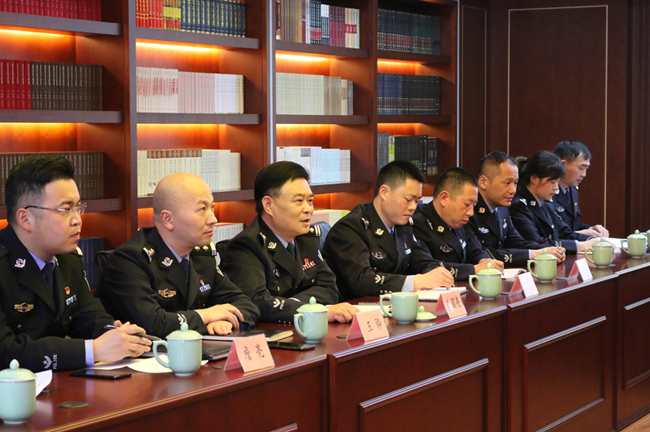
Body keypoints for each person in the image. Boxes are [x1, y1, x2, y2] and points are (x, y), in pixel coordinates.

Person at [0, 156, 151, 372]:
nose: (77, 220)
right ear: (25, 219)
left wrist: (115, 334)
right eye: (65, 210)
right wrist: (94, 350)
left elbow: (88, 317)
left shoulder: (68, 258)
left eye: (78, 208)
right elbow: (6, 352)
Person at [97, 172, 260, 338]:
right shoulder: (129, 261)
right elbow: (153, 324)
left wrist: (225, 321)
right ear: (168, 219)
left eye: (212, 207)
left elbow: (247, 304)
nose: (213, 219)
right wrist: (206, 316)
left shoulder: (201, 255)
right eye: (202, 209)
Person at [222, 162, 358, 324]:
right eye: (299, 201)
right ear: (269, 205)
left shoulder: (305, 237)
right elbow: (256, 303)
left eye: (310, 201)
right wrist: (314, 311)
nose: (308, 209)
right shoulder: (246, 246)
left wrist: (293, 304)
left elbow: (329, 288)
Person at [322, 160, 454, 301]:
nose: (413, 207)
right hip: (357, 308)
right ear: (384, 192)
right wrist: (417, 281)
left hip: (393, 304)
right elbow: (362, 281)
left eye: (417, 201)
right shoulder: (350, 228)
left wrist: (436, 273)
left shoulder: (403, 224)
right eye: (408, 199)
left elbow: (421, 259)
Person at [466, 152, 566, 266]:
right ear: (483, 182)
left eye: (515, 183)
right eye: (507, 183)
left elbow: (517, 242)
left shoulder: (502, 209)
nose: (513, 190)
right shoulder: (468, 210)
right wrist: (533, 254)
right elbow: (481, 254)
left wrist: (545, 251)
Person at [412, 167, 503, 280]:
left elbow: (475, 251)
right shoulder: (418, 223)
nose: (471, 213)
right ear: (444, 198)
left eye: (474, 205)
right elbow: (429, 267)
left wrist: (485, 261)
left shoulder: (460, 220)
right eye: (467, 204)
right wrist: (474, 270)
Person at [510, 151, 599, 254]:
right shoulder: (519, 206)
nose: (556, 188)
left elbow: (564, 232)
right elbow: (536, 242)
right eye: (552, 182)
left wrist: (592, 240)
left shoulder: (545, 203)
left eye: (557, 182)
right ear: (534, 179)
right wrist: (580, 246)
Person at [550, 140, 609, 237]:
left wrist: (591, 229)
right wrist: (579, 234)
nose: (584, 174)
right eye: (581, 168)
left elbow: (571, 227)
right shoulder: (547, 191)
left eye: (586, 169)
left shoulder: (572, 190)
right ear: (563, 165)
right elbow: (551, 233)